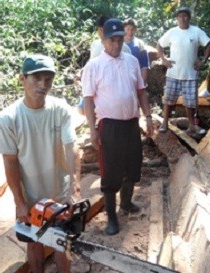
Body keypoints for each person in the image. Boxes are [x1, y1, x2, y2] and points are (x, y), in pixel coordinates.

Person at [0, 55, 78, 273]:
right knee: (34, 245)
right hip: (30, 195)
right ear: (22, 78)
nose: (43, 85)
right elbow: (10, 162)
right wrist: (19, 202)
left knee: (62, 243)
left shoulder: (60, 109)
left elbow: (71, 147)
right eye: (37, 78)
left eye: (48, 79)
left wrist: (73, 187)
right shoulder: (9, 118)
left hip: (58, 191)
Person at [82, 18, 154, 236]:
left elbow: (141, 91)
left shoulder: (132, 61)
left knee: (133, 167)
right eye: (112, 40)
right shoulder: (94, 66)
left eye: (120, 39)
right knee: (111, 172)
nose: (116, 44)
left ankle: (126, 203)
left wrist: (148, 116)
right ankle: (111, 217)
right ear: (103, 40)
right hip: (109, 126)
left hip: (131, 124)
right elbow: (87, 100)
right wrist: (93, 130)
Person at [157, 7, 210, 135]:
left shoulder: (196, 31)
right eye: (180, 16)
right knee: (168, 100)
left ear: (189, 18)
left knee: (190, 102)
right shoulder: (172, 32)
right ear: (177, 19)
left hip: (190, 74)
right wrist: (164, 59)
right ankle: (164, 123)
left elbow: (209, 44)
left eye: (186, 16)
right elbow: (159, 45)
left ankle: (192, 126)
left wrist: (203, 60)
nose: (183, 18)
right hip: (173, 73)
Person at [123, 18, 150, 84]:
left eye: (132, 29)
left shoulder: (139, 43)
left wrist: (143, 83)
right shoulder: (118, 42)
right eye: (128, 29)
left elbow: (145, 65)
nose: (130, 32)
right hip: (120, 78)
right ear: (124, 29)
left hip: (136, 78)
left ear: (135, 30)